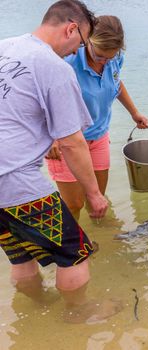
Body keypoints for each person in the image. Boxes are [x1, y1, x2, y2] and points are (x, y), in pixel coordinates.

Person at [0, 0, 121, 322]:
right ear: (71, 28)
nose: (75, 51)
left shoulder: (5, 47)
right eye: (79, 43)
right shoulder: (53, 67)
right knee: (76, 253)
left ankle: (38, 309)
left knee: (20, 255)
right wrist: (95, 195)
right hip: (15, 181)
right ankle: (77, 313)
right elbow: (71, 141)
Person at [46, 15, 148, 220]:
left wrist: (134, 112)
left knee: (97, 200)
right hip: (67, 141)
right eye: (100, 55)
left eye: (110, 57)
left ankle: (102, 243)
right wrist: (51, 137)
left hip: (99, 136)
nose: (105, 61)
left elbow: (116, 83)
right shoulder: (67, 61)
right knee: (74, 204)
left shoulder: (115, 58)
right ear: (88, 41)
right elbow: (43, 98)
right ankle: (72, 248)